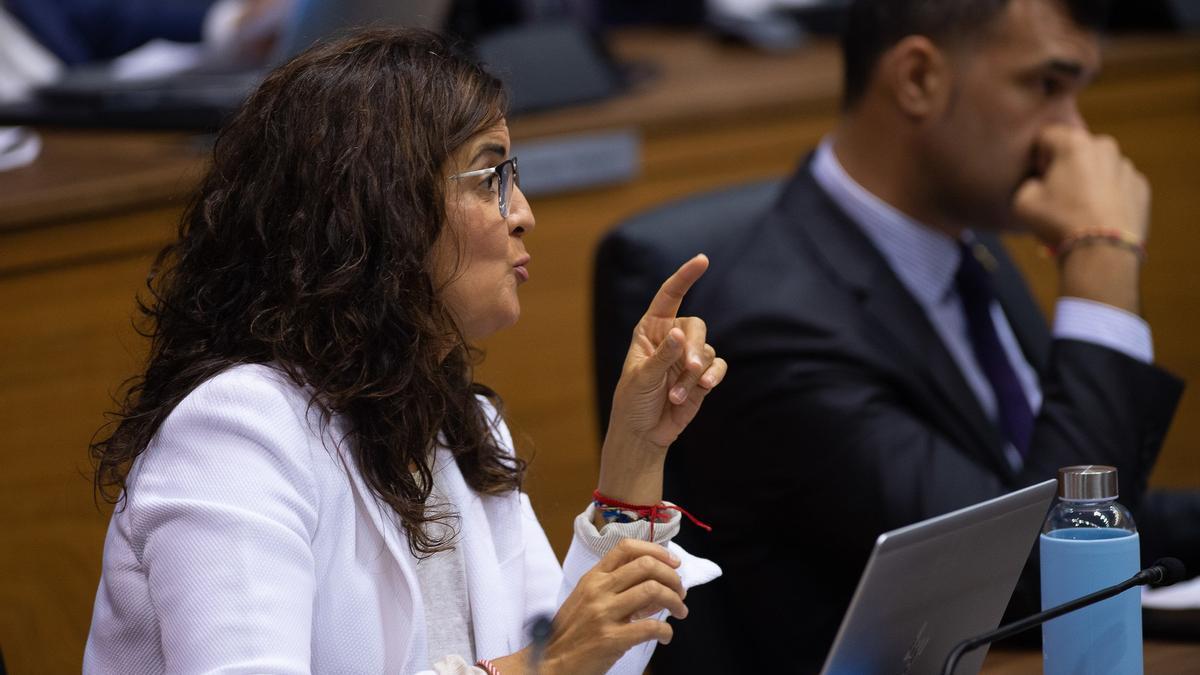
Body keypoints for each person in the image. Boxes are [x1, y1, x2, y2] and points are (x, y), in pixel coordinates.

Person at [83, 28, 727, 674]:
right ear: (377, 203)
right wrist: (542, 664)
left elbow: (584, 661)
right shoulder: (234, 431)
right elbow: (549, 662)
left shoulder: (459, 420)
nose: (523, 213)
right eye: (490, 176)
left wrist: (636, 448)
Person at [645, 0, 1199, 672]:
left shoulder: (967, 247)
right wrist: (1103, 265)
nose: (1073, 136)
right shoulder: (775, 326)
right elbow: (1024, 580)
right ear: (917, 79)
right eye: (1047, 88)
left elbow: (1060, 495)